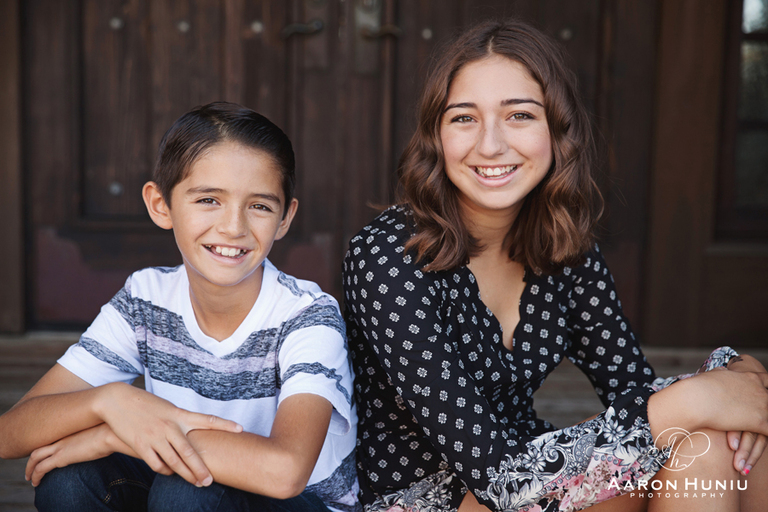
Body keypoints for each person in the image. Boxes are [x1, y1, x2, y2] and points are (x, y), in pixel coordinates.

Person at [342, 19, 768, 512]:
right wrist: (700, 398)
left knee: (720, 443)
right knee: (700, 425)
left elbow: (632, 386)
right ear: (436, 134)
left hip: (539, 477)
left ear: (557, 126)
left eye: (519, 115)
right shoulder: (388, 255)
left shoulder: (564, 249)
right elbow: (500, 482)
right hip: (435, 497)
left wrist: (733, 372)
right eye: (464, 118)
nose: (490, 145)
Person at [0, 102, 360, 512]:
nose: (233, 227)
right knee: (68, 480)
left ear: (284, 218)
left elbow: (285, 472)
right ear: (161, 205)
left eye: (259, 205)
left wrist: (114, 435)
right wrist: (109, 403)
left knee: (186, 489)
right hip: (194, 490)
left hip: (300, 503)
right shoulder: (146, 298)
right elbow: (11, 432)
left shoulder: (307, 315)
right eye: (209, 200)